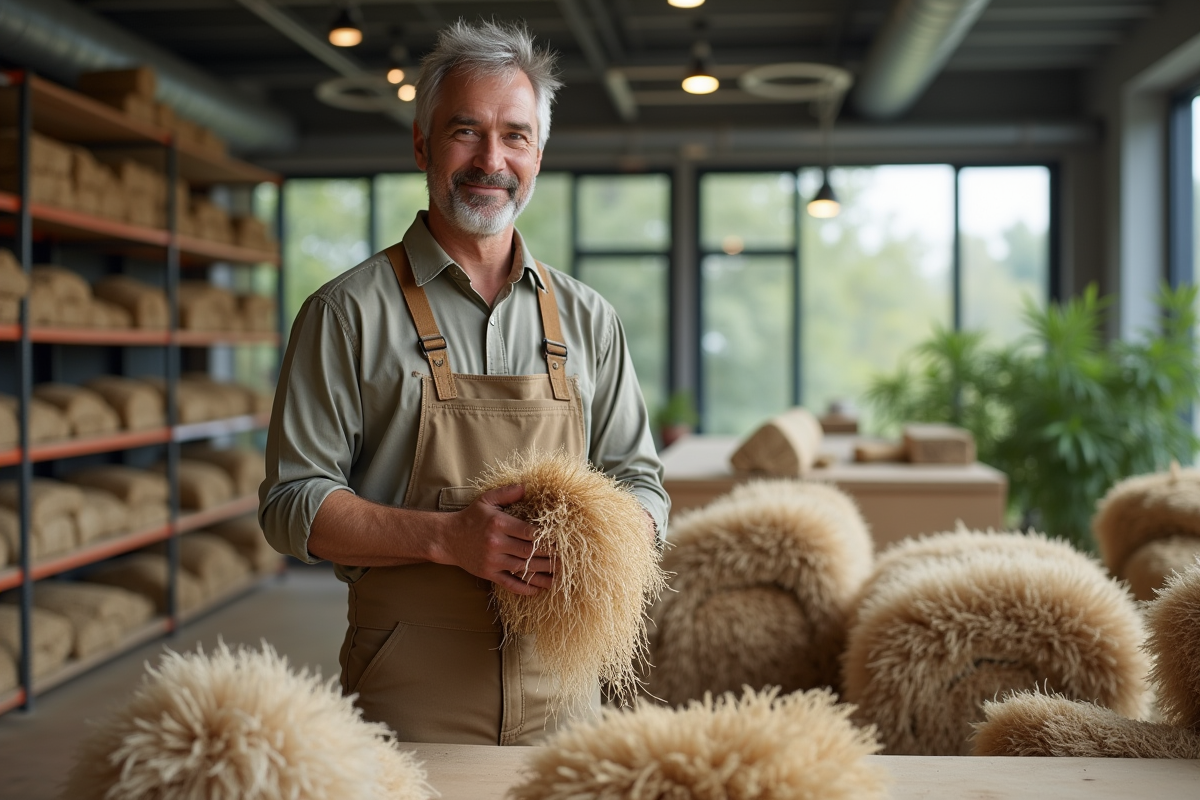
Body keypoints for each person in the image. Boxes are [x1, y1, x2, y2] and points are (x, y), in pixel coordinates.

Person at [259, 19, 669, 746]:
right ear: (421, 143)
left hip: (565, 691)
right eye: (465, 131)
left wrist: (613, 535)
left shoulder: (590, 318)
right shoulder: (344, 313)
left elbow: (640, 480)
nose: (491, 159)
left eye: (514, 135)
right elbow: (293, 504)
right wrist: (447, 538)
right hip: (408, 686)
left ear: (538, 155)